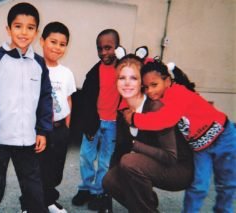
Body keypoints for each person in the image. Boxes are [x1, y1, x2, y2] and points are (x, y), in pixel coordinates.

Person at [123, 60, 236, 212]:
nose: (149, 91)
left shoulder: (178, 93)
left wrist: (134, 119)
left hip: (224, 137)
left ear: (167, 81)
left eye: (154, 85)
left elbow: (163, 120)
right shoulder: (161, 98)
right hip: (200, 147)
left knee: (226, 183)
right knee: (198, 187)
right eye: (146, 87)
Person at [0, 3, 52, 213]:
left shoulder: (38, 64)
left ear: (36, 32)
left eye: (30, 27)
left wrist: (42, 131)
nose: (24, 32)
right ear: (8, 29)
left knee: (33, 189)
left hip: (27, 140)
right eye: (18, 26)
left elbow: (45, 100)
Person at [102, 54, 194, 213]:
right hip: (153, 163)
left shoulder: (155, 108)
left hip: (179, 168)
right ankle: (146, 206)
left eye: (133, 78)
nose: (127, 83)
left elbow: (170, 156)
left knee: (130, 162)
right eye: (121, 77)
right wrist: (106, 198)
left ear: (142, 83)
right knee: (110, 180)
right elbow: (119, 151)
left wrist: (135, 145)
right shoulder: (124, 113)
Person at [71, 29, 121, 211]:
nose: (103, 53)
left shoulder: (124, 70)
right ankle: (85, 188)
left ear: (118, 47)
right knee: (86, 156)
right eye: (100, 49)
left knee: (105, 161)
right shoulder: (94, 73)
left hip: (113, 124)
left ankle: (100, 191)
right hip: (94, 123)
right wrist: (87, 124)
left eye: (108, 48)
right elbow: (85, 101)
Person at [39, 21, 76, 213]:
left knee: (55, 168)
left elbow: (68, 98)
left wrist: (66, 125)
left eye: (62, 44)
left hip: (59, 128)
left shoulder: (66, 73)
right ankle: (30, 204)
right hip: (38, 129)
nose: (57, 47)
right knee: (35, 169)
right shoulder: (34, 68)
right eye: (53, 42)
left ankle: (49, 201)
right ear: (42, 41)